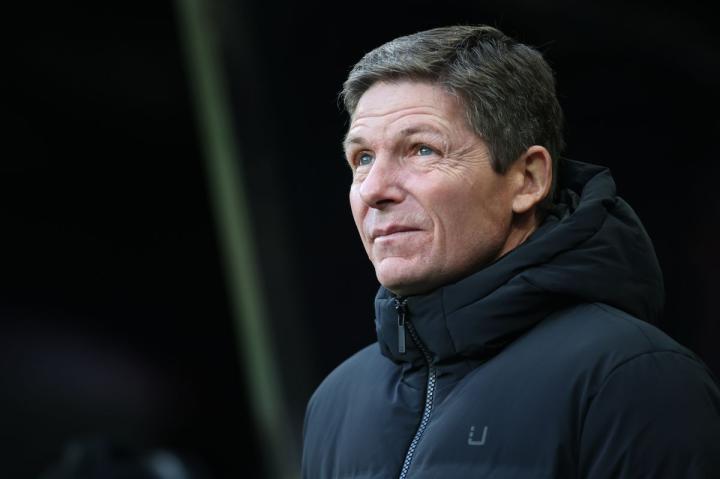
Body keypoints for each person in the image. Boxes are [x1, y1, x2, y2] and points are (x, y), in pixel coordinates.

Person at [301, 25, 720, 478]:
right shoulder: (334, 403)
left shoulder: (633, 379)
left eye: (422, 149)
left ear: (528, 180)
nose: (374, 189)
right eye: (363, 158)